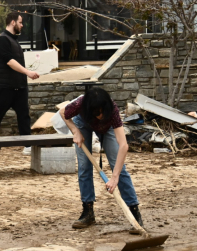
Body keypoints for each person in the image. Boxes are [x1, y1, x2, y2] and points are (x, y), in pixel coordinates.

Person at [59, 87, 143, 232]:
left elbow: (123, 145)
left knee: (119, 167)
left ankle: (135, 213)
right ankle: (88, 212)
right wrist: (75, 131)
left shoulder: (113, 110)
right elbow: (62, 112)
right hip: (83, 124)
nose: (100, 116)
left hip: (108, 128)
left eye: (103, 112)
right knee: (84, 166)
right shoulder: (80, 104)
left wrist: (114, 177)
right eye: (97, 113)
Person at [0, 11, 40, 155]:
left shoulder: (14, 40)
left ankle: (28, 145)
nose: (22, 25)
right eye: (20, 22)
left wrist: (24, 79)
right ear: (13, 22)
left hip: (19, 86)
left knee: (24, 115)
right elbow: (9, 61)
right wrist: (28, 72)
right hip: (5, 87)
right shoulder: (2, 40)